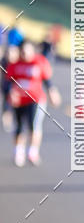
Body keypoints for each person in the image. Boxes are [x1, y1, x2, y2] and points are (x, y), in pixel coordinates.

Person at [6, 38, 61, 166]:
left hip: (35, 99)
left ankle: (32, 151)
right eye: (23, 52)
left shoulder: (39, 62)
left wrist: (52, 92)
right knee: (19, 126)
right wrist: (11, 93)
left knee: (33, 125)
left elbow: (47, 80)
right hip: (19, 100)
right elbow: (8, 82)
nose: (25, 54)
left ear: (32, 50)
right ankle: (18, 152)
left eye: (27, 51)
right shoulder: (15, 64)